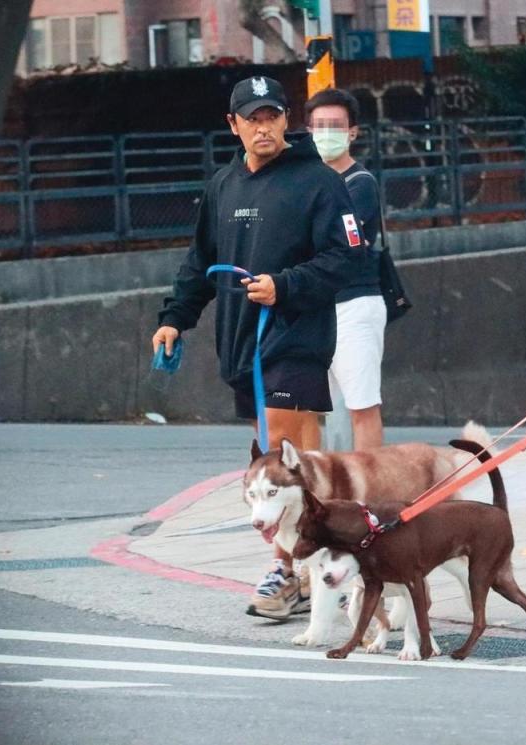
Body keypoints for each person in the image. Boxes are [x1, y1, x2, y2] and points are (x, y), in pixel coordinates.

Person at [152, 75, 365, 620]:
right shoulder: (224, 184)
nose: (262, 126)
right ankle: (325, 565)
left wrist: (286, 286)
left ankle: (291, 572)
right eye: (252, 117)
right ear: (234, 125)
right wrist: (175, 319)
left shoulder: (318, 182)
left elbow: (346, 260)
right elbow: (199, 262)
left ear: (285, 119)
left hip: (295, 341)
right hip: (240, 348)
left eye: (271, 115)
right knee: (274, 471)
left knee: (288, 472)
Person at [302, 88, 386, 451]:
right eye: (318, 126)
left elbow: (340, 242)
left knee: (361, 406)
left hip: (354, 305)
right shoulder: (306, 182)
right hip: (314, 307)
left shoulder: (361, 184)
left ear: (353, 132)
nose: (326, 133)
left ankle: (372, 496)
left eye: (335, 125)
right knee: (307, 407)